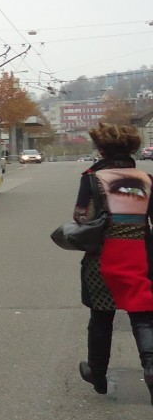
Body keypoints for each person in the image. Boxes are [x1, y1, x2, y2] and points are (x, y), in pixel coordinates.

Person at [72, 123, 153, 405]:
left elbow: (81, 218)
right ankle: (151, 368)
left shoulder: (92, 179)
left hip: (103, 257)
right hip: (142, 254)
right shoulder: (147, 178)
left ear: (101, 149)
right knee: (143, 313)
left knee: (101, 317)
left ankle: (98, 374)